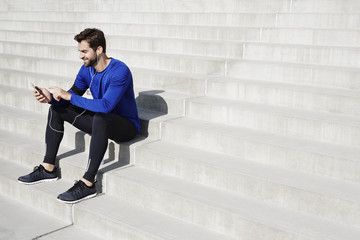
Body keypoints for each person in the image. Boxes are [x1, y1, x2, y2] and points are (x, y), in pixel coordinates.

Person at [18, 28, 141, 204]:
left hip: (125, 127)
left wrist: (69, 97)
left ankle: (88, 183)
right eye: (80, 52)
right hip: (101, 121)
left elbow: (106, 106)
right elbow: (70, 96)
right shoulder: (86, 70)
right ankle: (48, 167)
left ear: (98, 50)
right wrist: (51, 98)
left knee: (100, 117)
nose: (81, 56)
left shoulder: (119, 71)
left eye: (84, 51)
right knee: (56, 109)